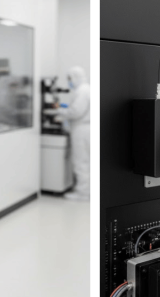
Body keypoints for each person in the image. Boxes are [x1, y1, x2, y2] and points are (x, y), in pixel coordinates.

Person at [55, 66, 90, 201]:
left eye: (69, 78)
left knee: (81, 162)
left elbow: (76, 111)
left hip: (81, 130)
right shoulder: (87, 89)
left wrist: (60, 113)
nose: (69, 82)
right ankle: (87, 190)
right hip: (88, 128)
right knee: (88, 162)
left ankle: (82, 193)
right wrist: (66, 109)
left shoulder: (81, 91)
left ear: (75, 77)